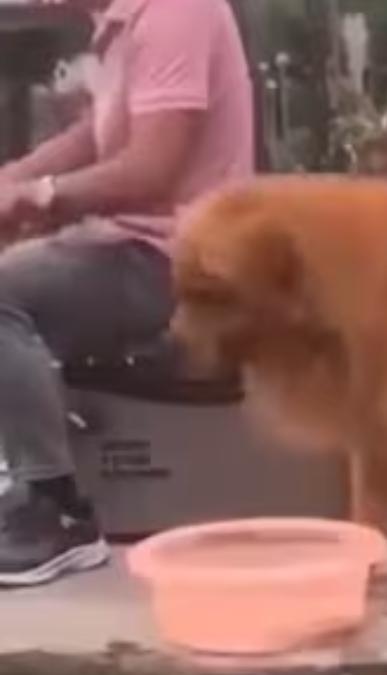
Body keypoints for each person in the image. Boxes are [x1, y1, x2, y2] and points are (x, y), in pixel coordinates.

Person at [0, 0, 252, 585]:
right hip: (130, 245)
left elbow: (152, 168)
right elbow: (95, 136)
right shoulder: (124, 24)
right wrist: (14, 178)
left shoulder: (173, 12)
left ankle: (56, 511)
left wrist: (37, 196)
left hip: (178, 261)